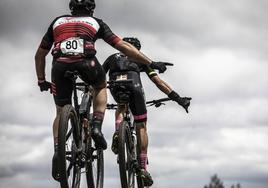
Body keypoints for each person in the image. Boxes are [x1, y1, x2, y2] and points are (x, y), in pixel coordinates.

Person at [34, 0, 168, 182]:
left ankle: (58, 150)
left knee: (60, 110)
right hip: (86, 62)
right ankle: (96, 126)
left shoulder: (57, 22)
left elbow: (39, 54)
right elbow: (122, 46)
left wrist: (41, 80)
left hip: (59, 66)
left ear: (71, 9)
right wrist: (150, 62)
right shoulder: (96, 22)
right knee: (99, 86)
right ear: (92, 9)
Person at [103, 37, 191, 186]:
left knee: (122, 105)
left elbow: (98, 78)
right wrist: (177, 99)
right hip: (134, 86)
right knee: (141, 125)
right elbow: (159, 82)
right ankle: (143, 167)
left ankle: (118, 131)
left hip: (115, 85)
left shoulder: (112, 58)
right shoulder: (141, 60)